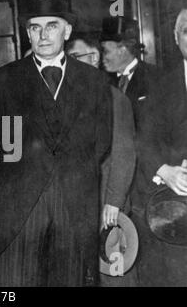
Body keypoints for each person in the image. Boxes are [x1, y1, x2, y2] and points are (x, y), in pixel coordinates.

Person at [0, 0, 112, 286]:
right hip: (21, 205)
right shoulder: (3, 79)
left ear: (67, 31)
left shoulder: (94, 81)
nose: (43, 35)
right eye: (35, 28)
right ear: (28, 34)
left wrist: (72, 171)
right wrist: (23, 172)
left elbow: (101, 141)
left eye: (52, 26)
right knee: (15, 280)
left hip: (75, 203)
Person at [66, 35, 137, 286]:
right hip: (79, 206)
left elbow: (124, 153)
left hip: (107, 206)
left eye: (75, 58)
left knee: (114, 274)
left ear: (94, 58)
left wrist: (114, 202)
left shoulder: (113, 98)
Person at [134, 8, 187, 286]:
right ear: (176, 38)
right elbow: (143, 139)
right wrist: (165, 170)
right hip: (178, 213)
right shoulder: (159, 87)